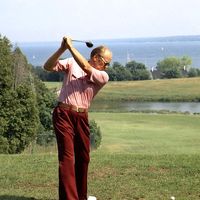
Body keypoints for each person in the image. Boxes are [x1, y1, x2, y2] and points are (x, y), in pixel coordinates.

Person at [43, 36, 112, 200]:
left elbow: (86, 67)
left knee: (83, 157)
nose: (107, 66)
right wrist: (62, 49)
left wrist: (71, 47)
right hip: (63, 114)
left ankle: (81, 196)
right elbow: (47, 67)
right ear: (96, 57)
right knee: (67, 158)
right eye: (106, 62)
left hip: (81, 116)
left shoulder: (102, 76)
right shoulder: (71, 62)